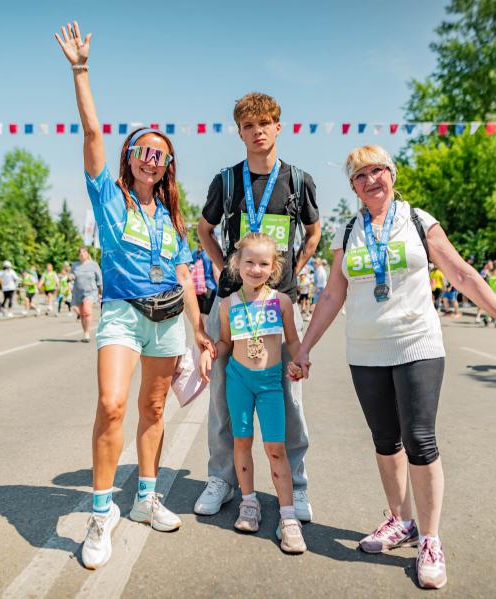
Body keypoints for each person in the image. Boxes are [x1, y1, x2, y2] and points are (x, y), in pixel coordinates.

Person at [289, 145, 496, 590]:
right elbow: (332, 295)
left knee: (419, 439)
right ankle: (400, 520)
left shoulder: (418, 221)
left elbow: (462, 274)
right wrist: (304, 349)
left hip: (417, 343)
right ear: (353, 187)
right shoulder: (349, 231)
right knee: (385, 440)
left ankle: (430, 539)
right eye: (360, 175)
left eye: (377, 170)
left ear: (392, 174)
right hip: (365, 350)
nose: (371, 180)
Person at [56, 20, 214, 570]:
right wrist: (81, 71)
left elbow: (184, 275)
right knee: (112, 404)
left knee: (153, 408)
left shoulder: (170, 216)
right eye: (143, 150)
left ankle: (146, 498)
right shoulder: (109, 197)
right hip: (123, 314)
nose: (151, 158)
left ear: (167, 167)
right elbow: (91, 135)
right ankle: (101, 514)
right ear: (129, 158)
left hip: (168, 319)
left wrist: (198, 330)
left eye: (160, 154)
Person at [195, 91, 321, 520]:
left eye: (264, 123)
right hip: (233, 303)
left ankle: (296, 486)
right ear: (240, 132)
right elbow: (204, 229)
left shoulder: (298, 181)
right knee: (223, 397)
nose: (257, 131)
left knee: (289, 396)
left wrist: (291, 273)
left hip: (277, 305)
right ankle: (222, 479)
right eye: (248, 126)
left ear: (278, 127)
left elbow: (314, 232)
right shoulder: (227, 182)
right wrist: (224, 268)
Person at [198, 233, 306, 553]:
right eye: (249, 262)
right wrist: (209, 353)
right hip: (239, 381)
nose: (255, 269)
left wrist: (300, 359)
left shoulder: (282, 302)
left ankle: (288, 517)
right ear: (236, 263)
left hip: (270, 383)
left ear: (273, 268)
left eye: (263, 263)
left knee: (276, 448)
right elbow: (225, 342)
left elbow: (292, 340)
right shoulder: (227, 304)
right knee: (241, 442)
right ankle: (248, 502)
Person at [72, 247, 103, 341]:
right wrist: (70, 276)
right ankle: (85, 331)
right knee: (82, 314)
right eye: (80, 252)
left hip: (90, 292)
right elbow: (71, 275)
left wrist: (102, 291)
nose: (82, 254)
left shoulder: (93, 265)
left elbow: (99, 279)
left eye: (84, 252)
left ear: (87, 254)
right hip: (78, 292)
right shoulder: (75, 265)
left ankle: (87, 334)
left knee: (87, 311)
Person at [191, 246, 218, 315]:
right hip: (210, 287)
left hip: (197, 288)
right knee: (209, 315)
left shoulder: (194, 251)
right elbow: (216, 274)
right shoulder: (211, 252)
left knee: (201, 314)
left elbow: (190, 267)